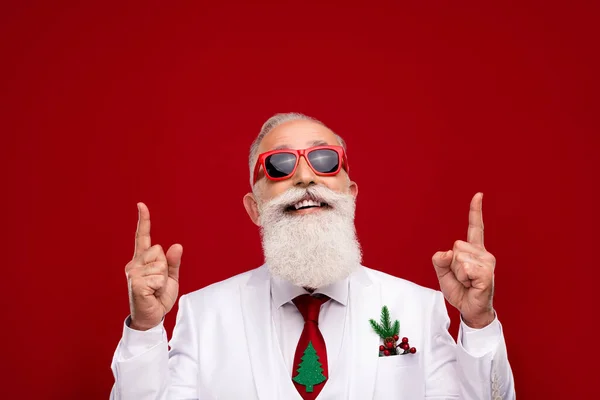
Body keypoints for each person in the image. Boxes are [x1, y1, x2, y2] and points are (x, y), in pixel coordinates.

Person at [110, 112, 515, 399]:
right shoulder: (203, 315)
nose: (305, 177)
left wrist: (478, 323)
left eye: (324, 160)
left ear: (350, 194)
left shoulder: (418, 308)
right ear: (254, 208)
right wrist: (145, 328)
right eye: (280, 165)